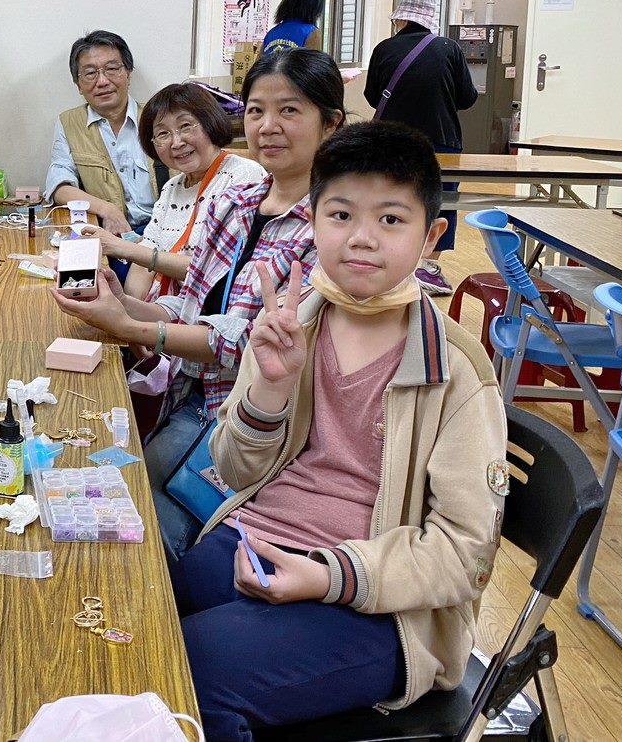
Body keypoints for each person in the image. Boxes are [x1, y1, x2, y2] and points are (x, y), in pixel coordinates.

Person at [172, 121, 506, 739]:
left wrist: (330, 575)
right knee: (135, 616)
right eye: (341, 214)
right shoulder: (293, 324)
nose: (361, 238)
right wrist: (270, 391)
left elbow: (466, 554)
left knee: (190, 670)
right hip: (255, 543)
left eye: (391, 219)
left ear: (431, 236)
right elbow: (236, 471)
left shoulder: (455, 370)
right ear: (314, 219)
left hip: (383, 608)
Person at [53, 49, 345, 559]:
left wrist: (131, 326)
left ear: (331, 123)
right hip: (191, 394)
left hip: (251, 423)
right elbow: (189, 309)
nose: (268, 126)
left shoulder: (331, 225)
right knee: (97, 491)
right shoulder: (236, 206)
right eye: (256, 111)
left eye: (289, 110)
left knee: (137, 530)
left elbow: (244, 347)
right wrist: (121, 302)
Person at [80, 83, 264, 300]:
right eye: (163, 134)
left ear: (210, 123)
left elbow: (218, 271)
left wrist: (123, 248)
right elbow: (144, 261)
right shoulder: (172, 188)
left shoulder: (243, 175)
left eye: (185, 126)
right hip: (162, 305)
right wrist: (126, 308)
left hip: (206, 310)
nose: (176, 143)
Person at [365, 0, 477, 296]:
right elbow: (467, 98)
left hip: (391, 142)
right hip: (441, 141)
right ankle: (428, 266)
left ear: (401, 19)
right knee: (442, 201)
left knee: (390, 199)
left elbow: (372, 97)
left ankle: (389, 262)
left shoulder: (384, 48)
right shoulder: (449, 49)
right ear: (430, 20)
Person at [44, 31, 156, 236]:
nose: (102, 81)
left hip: (162, 232)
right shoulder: (69, 123)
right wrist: (107, 210)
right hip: (110, 235)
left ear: (128, 74)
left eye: (112, 69)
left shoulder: (157, 117)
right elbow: (59, 187)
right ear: (78, 85)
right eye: (90, 73)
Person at [261, 0, 325, 55]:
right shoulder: (312, 33)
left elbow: (259, 61)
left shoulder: (271, 33)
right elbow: (314, 61)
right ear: (315, 10)